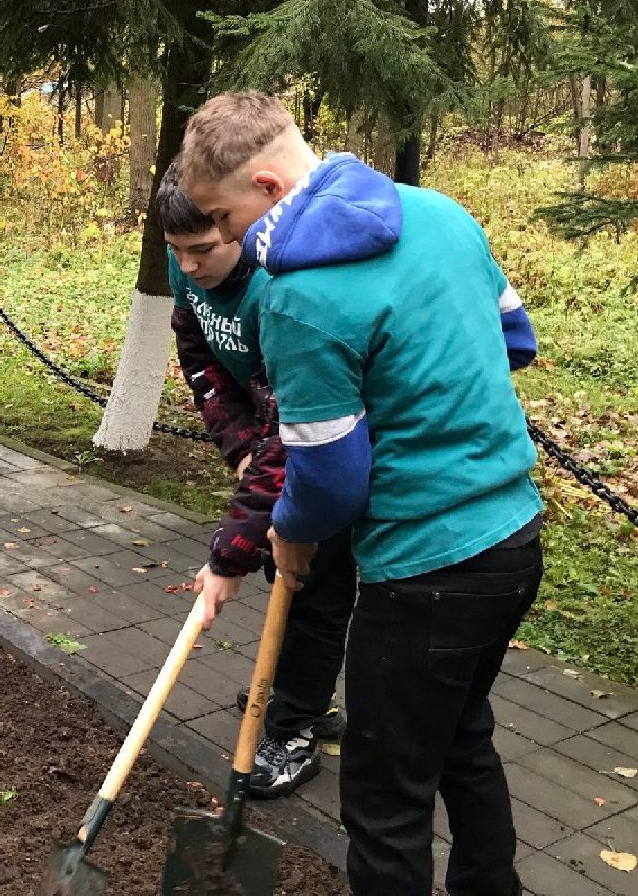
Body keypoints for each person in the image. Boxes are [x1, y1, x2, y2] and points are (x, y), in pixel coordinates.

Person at [178, 91, 541, 896]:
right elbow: (516, 338)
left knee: (383, 801)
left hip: (426, 574)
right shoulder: (441, 213)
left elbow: (332, 482)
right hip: (515, 539)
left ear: (269, 187)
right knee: (459, 742)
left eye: (224, 216)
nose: (228, 238)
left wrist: (289, 532)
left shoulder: (302, 299)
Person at [158, 170, 354, 798]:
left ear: (237, 226)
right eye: (176, 249)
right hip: (276, 431)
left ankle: (298, 725)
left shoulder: (280, 288)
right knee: (286, 573)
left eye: (204, 250)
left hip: (336, 445)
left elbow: (292, 418)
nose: (188, 266)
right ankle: (299, 687)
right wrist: (242, 446)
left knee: (318, 583)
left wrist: (225, 555)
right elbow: (201, 360)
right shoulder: (184, 265)